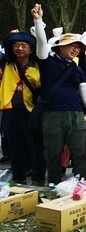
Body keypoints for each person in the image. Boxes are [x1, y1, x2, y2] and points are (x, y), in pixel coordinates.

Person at [31, 4, 86, 185]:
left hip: (75, 114)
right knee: (53, 153)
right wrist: (38, 20)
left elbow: (84, 91)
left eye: (78, 48)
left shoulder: (76, 69)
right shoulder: (47, 61)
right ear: (60, 47)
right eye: (71, 46)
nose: (75, 50)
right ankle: (54, 185)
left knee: (79, 152)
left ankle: (82, 185)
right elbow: (42, 44)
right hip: (52, 114)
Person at [0, 32, 46, 186]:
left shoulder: (38, 65)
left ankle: (38, 177)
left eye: (24, 46)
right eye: (16, 46)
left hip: (31, 110)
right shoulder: (5, 63)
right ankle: (18, 176)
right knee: (14, 145)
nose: (19, 48)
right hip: (10, 110)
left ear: (31, 49)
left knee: (36, 145)